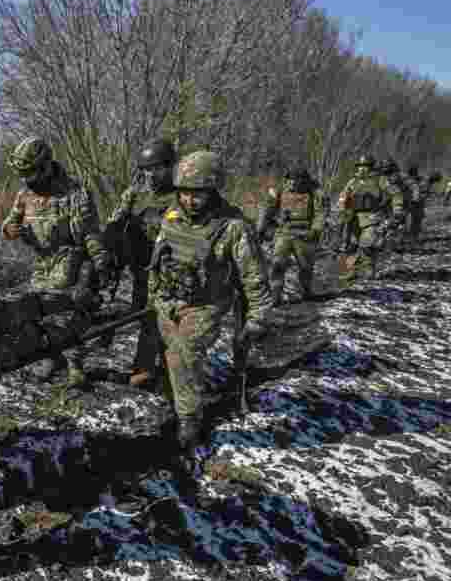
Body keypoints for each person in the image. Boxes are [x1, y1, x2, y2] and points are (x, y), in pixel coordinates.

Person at [147, 150, 273, 500]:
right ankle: (180, 399)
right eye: (184, 191)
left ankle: (190, 422)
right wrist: (153, 297)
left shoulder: (232, 227)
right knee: (171, 356)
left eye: (197, 192)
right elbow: (159, 257)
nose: (189, 199)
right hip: (169, 301)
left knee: (182, 355)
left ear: (213, 190)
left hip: (207, 306)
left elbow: (254, 278)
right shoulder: (171, 214)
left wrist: (259, 316)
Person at [0, 137, 115, 388]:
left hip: (71, 260)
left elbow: (90, 233)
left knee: (67, 314)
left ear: (45, 166)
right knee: (38, 311)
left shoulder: (74, 193)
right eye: (23, 174)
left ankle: (75, 364)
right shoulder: (25, 195)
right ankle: (53, 358)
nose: (27, 179)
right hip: (42, 262)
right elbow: (9, 224)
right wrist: (11, 229)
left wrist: (100, 262)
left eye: (30, 173)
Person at [103, 138, 178, 388]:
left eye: (155, 169)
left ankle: (165, 373)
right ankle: (144, 368)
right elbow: (116, 221)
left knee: (168, 322)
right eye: (145, 169)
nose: (150, 175)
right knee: (145, 315)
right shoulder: (135, 194)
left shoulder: (184, 195)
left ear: (169, 167)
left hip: (172, 271)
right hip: (141, 268)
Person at [256, 166, 326, 304]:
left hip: (305, 233)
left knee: (305, 266)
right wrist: (261, 229)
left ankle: (306, 291)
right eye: (290, 179)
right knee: (277, 264)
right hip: (284, 231)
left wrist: (315, 230)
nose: (293, 183)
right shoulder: (279, 191)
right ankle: (275, 294)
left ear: (304, 180)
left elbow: (320, 213)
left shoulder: (314, 193)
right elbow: (267, 210)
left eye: (297, 180)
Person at [335, 154, 403, 283]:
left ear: (371, 167)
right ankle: (351, 271)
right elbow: (343, 196)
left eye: (365, 166)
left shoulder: (380, 180)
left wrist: (397, 209)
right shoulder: (353, 181)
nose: (362, 169)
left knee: (367, 243)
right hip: (353, 217)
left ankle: (368, 269)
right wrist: (341, 208)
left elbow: (396, 194)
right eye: (360, 166)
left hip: (373, 216)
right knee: (351, 246)